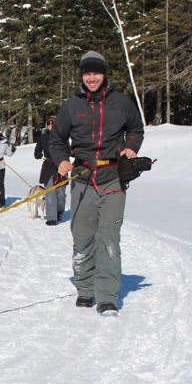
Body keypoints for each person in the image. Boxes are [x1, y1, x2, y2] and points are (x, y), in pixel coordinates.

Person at [48, 50, 144, 316]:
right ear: (82, 75)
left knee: (109, 238)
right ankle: (85, 289)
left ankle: (107, 297)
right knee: (82, 237)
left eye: (96, 72)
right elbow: (56, 140)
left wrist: (131, 147)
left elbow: (136, 129)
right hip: (82, 178)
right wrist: (61, 160)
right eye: (87, 73)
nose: (92, 77)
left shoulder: (121, 103)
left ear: (104, 74)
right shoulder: (71, 106)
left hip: (113, 178)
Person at [34, 114, 66, 226]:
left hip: (61, 165)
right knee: (50, 192)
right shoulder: (43, 136)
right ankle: (51, 217)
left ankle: (59, 211)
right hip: (48, 166)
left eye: (53, 123)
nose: (51, 125)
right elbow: (37, 150)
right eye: (49, 123)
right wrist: (38, 154)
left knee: (61, 192)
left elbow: (68, 150)